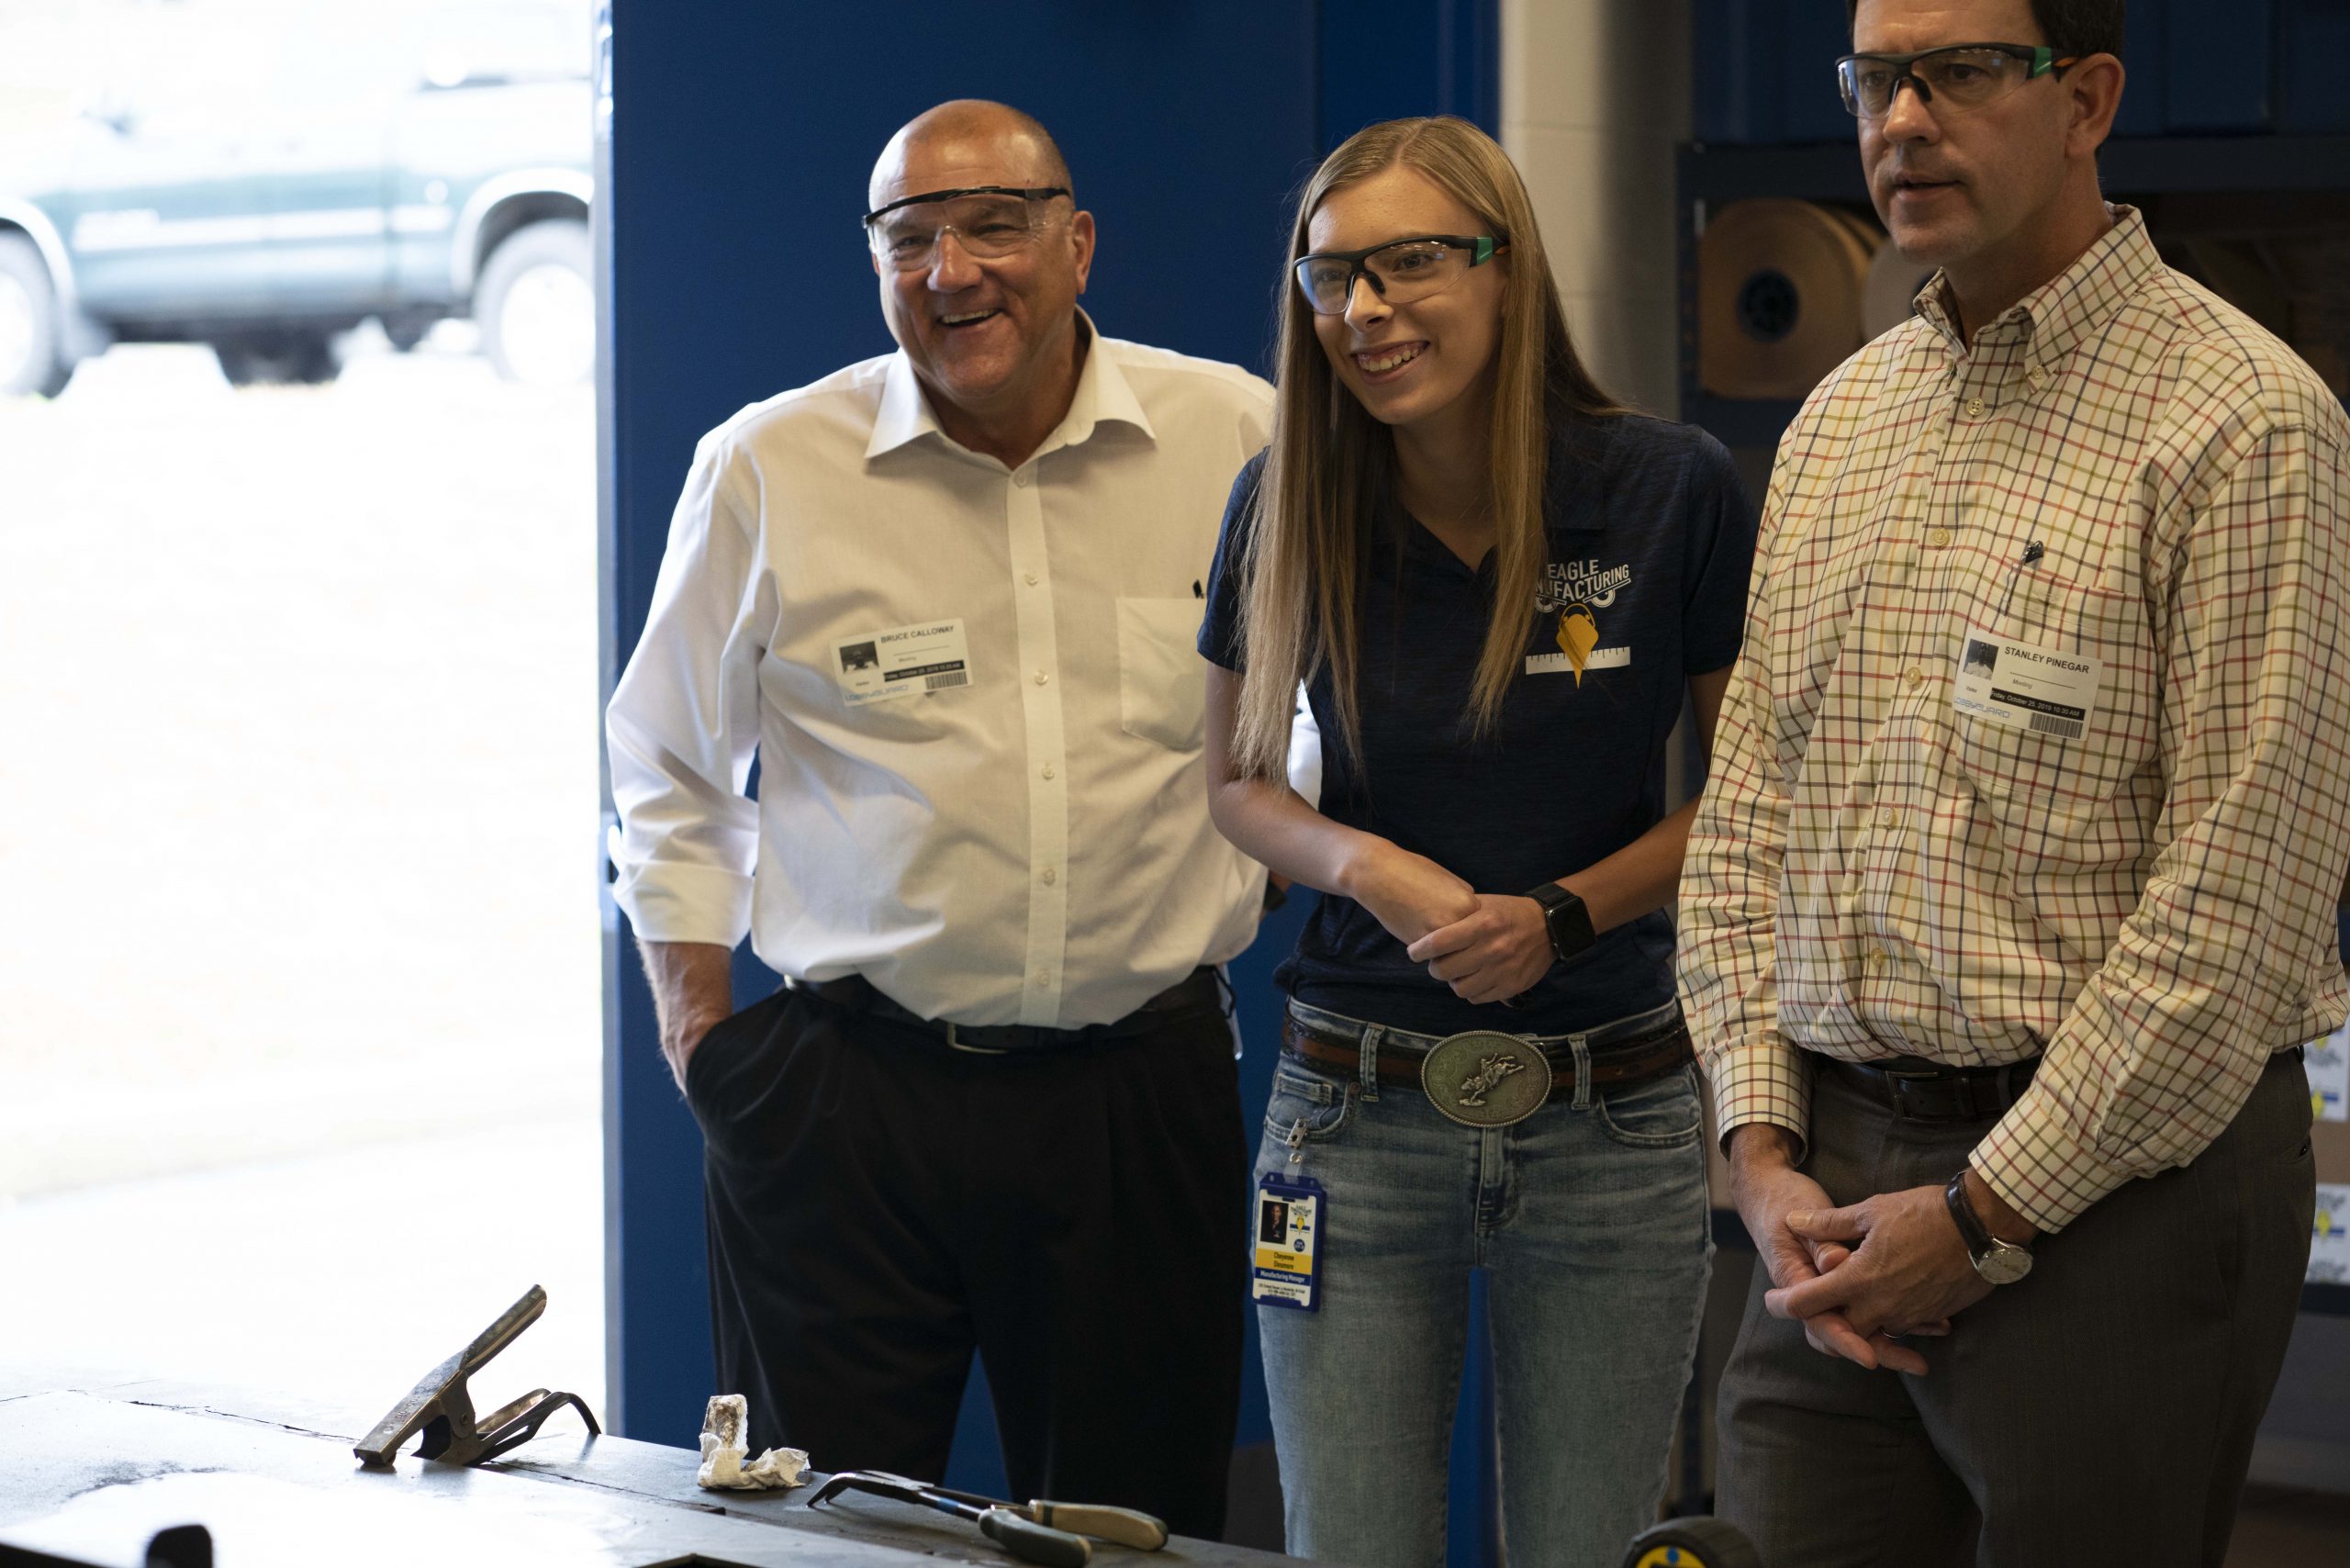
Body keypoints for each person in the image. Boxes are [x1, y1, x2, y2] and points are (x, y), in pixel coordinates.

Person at [1677, 3, 2350, 1562]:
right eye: (1874, 78)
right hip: (1829, 1186)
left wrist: (1984, 1220)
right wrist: (1761, 1155)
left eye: (1960, 72)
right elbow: (1749, 825)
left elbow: (2238, 906)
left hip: (2122, 1197)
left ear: (2088, 98)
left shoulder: (2245, 424)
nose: (1901, 119)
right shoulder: (1841, 421)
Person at [605, 100, 1274, 1538]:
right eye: (909, 239)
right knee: (822, 1527)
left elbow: (1318, 706)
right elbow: (663, 758)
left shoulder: (1234, 433)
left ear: (1078, 242)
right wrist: (704, 1044)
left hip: (1135, 1102)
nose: (952, 271)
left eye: (994, 226)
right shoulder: (772, 465)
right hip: (849, 1107)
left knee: (1133, 1523)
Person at [1198, 116, 1757, 1568]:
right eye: (1331, 279)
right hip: (1350, 1118)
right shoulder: (1288, 499)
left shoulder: (1669, 488)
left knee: (1589, 1547)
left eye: (1412, 263)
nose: (1365, 310)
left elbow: (1753, 792)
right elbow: (1241, 785)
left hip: (1615, 1112)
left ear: (1508, 271)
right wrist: (1375, 869)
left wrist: (1560, 916)